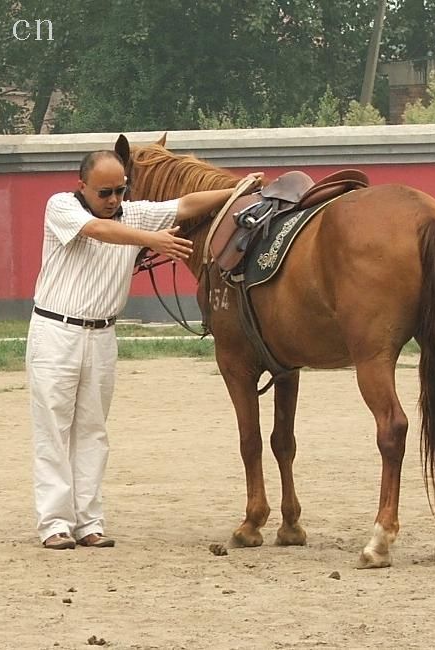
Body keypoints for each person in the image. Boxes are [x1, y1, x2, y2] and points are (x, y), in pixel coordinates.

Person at [28, 149, 263, 550]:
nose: (114, 200)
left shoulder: (133, 213)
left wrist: (235, 189)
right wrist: (152, 240)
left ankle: (89, 522)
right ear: (82, 185)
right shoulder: (61, 206)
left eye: (120, 190)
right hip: (56, 331)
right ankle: (53, 523)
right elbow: (96, 231)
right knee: (54, 429)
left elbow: (185, 205)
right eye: (105, 192)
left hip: (102, 335)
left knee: (93, 432)